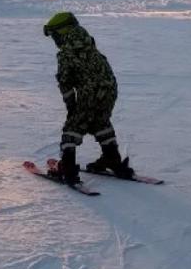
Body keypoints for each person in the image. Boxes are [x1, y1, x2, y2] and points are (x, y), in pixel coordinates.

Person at [43, 11, 133, 185]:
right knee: (100, 121)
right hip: (109, 88)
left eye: (54, 36)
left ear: (62, 32)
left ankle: (67, 169)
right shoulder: (87, 42)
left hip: (90, 92)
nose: (55, 41)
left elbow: (65, 82)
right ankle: (112, 160)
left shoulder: (67, 52)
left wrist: (72, 107)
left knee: (73, 127)